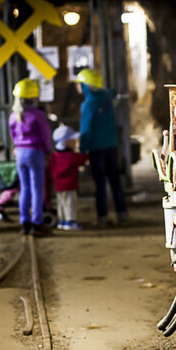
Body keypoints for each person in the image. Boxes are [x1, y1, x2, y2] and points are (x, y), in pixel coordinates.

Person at [75, 68, 128, 227]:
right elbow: (112, 92)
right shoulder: (106, 98)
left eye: (79, 83)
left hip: (97, 149)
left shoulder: (88, 105)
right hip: (111, 146)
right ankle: (122, 215)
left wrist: (82, 149)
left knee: (100, 184)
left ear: (85, 86)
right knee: (115, 181)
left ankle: (102, 218)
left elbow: (85, 130)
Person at [9, 78, 53, 236]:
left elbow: (13, 136)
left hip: (20, 154)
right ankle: (37, 223)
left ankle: (24, 223)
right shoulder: (38, 115)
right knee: (36, 189)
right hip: (35, 153)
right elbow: (46, 136)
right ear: (34, 97)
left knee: (24, 189)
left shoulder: (14, 116)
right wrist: (48, 151)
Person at [47, 125, 89, 230]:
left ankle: (62, 220)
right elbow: (83, 159)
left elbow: (50, 166)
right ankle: (70, 221)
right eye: (72, 140)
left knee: (61, 203)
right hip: (69, 185)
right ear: (65, 142)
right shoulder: (71, 156)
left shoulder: (54, 155)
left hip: (58, 186)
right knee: (70, 203)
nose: (75, 142)